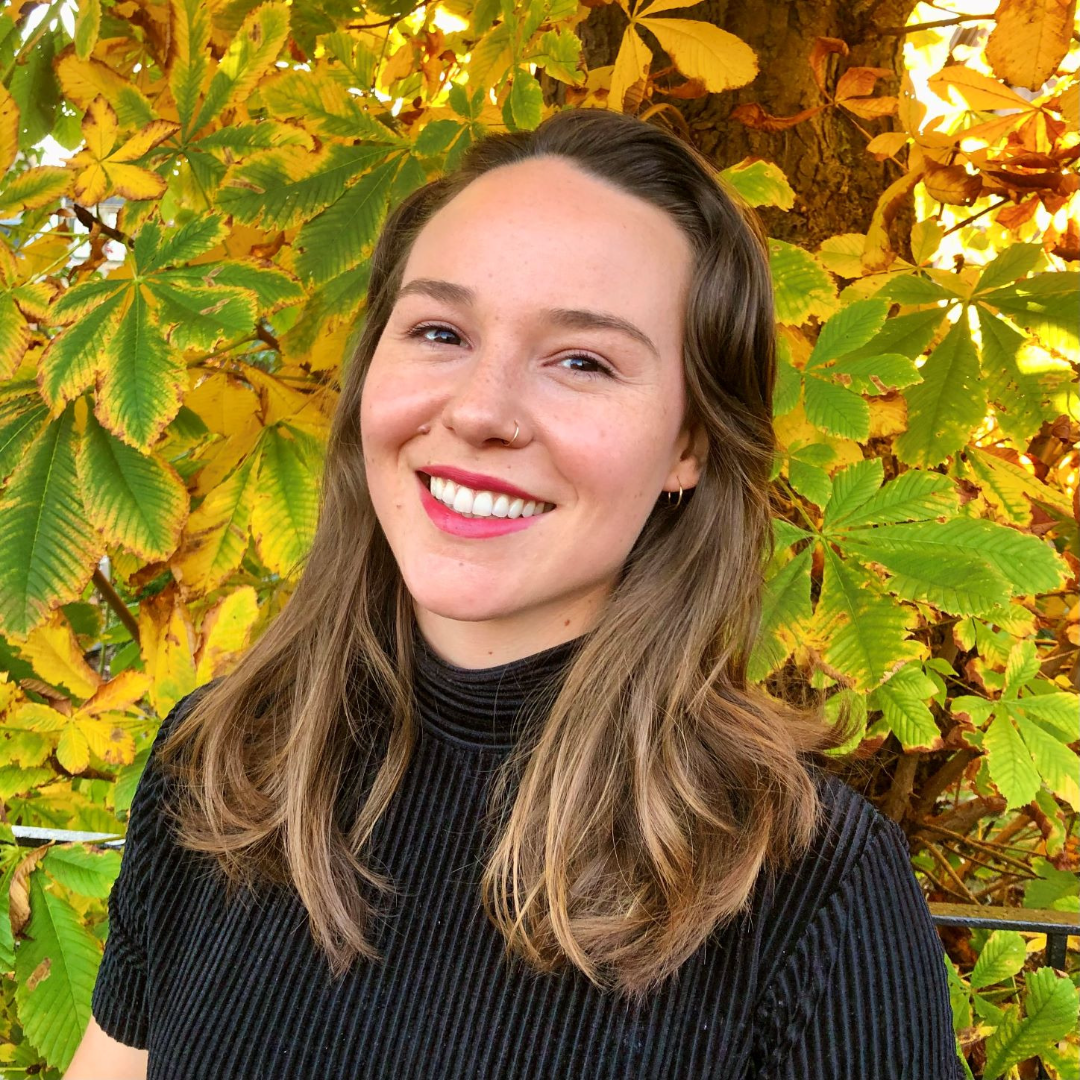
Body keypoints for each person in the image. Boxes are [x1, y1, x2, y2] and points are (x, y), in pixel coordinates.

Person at [66, 108, 964, 1079]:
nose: (481, 410)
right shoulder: (221, 766)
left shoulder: (804, 886)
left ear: (689, 445)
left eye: (582, 360)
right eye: (440, 331)